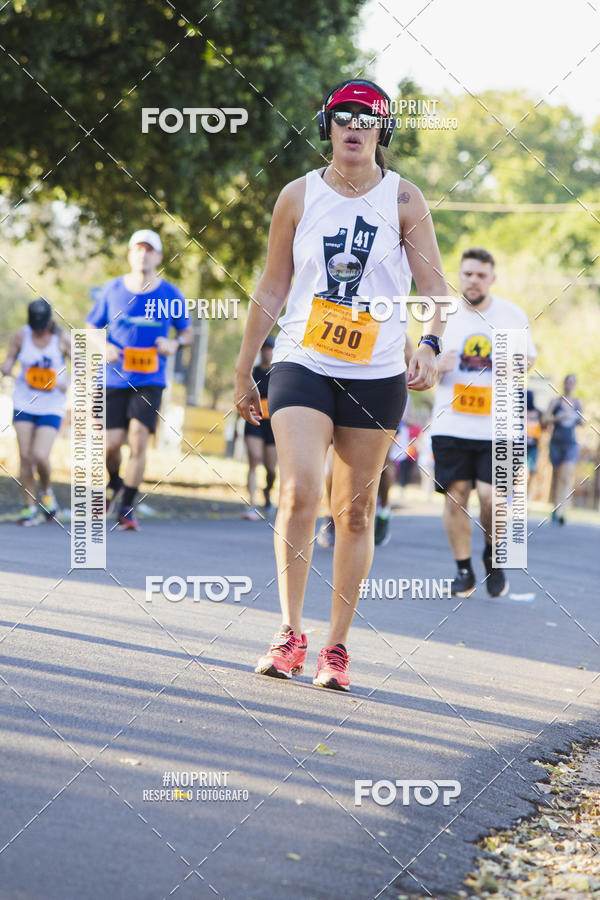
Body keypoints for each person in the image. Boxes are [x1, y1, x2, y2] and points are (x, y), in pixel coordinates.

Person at [235, 78, 447, 691]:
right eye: (342, 115)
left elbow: (435, 292)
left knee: (353, 515)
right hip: (303, 362)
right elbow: (272, 285)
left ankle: (336, 647)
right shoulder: (296, 196)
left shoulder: (405, 200)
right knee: (300, 493)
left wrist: (431, 344)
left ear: (382, 129)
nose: (354, 125)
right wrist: (247, 365)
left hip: (377, 373)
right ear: (326, 126)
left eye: (367, 116)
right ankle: (289, 633)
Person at [431, 248, 537, 598]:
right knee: (455, 498)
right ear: (459, 276)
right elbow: (421, 367)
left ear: (492, 278)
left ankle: (493, 556)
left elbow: (528, 359)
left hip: (499, 426)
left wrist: (519, 363)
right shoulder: (442, 317)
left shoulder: (511, 314)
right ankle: (464, 571)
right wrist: (436, 367)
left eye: (480, 275)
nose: (473, 280)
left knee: (493, 500)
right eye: (467, 274)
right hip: (451, 424)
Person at [86, 229, 191, 531]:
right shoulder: (112, 289)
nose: (143, 254)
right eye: (138, 249)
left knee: (138, 439)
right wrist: (103, 346)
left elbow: (186, 333)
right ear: (130, 254)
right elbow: (91, 327)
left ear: (158, 256)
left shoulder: (171, 294)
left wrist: (175, 345)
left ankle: (126, 506)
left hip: (150, 379)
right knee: (111, 445)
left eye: (149, 249)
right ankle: (116, 482)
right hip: (113, 379)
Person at [1, 299, 69, 525]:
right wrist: (7, 366)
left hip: (51, 405)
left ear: (50, 319)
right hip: (24, 402)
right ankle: (29, 506)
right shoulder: (22, 335)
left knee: (40, 454)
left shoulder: (62, 339)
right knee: (26, 456)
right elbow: (10, 357)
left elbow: (80, 366)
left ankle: (47, 493)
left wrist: (65, 382)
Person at [243, 337, 277, 520]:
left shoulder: (279, 374)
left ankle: (267, 492)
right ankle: (250, 503)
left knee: (271, 469)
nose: (267, 352)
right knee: (254, 459)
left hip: (272, 424)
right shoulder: (252, 373)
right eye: (264, 349)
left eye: (270, 349)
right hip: (254, 420)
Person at [544, 374, 583, 524]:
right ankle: (555, 508)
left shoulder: (578, 403)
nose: (570, 385)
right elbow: (545, 419)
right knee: (557, 477)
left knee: (566, 477)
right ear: (564, 383)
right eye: (568, 381)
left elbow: (582, 422)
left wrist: (577, 419)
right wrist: (557, 418)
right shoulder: (556, 402)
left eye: (573, 382)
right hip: (556, 443)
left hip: (571, 444)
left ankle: (562, 511)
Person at [526, 389, 542, 498]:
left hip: (533, 448)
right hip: (518, 447)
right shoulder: (518, 411)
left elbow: (545, 427)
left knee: (530, 474)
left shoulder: (539, 413)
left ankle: (527, 498)